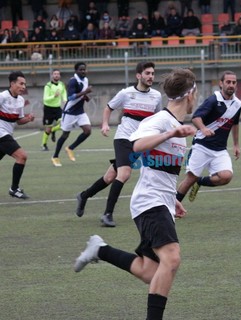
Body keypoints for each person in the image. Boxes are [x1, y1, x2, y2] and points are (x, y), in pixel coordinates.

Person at [73, 68, 198, 320]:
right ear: (190, 94)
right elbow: (136, 146)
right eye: (196, 92)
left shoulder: (175, 125)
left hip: (159, 200)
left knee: (150, 273)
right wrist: (170, 133)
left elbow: (156, 166)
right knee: (171, 259)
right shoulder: (161, 121)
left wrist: (172, 198)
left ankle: (100, 250)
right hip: (149, 202)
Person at [75, 61, 162, 227]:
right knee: (125, 174)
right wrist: (105, 124)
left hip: (140, 142)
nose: (151, 76)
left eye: (152, 73)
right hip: (124, 138)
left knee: (110, 177)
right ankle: (107, 214)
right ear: (139, 76)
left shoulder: (156, 96)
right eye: (147, 73)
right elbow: (108, 108)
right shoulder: (126, 93)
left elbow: (157, 118)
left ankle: (84, 196)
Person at [176, 70, 241, 203]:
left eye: (233, 82)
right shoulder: (213, 100)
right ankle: (171, 208)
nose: (231, 85)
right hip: (202, 146)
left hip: (220, 150)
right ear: (221, 83)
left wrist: (236, 144)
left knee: (226, 177)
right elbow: (196, 117)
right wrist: (203, 128)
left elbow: (235, 123)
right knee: (190, 178)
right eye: (228, 82)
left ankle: (199, 181)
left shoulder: (238, 104)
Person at [0, 71, 35, 199]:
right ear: (12, 83)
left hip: (7, 134)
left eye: (24, 84)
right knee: (22, 156)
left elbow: (19, 121)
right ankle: (14, 189)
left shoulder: (20, 100)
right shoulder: (2, 96)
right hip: (1, 134)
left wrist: (28, 118)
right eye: (21, 84)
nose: (23, 87)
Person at [51, 62, 93, 167]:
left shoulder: (86, 80)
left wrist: (85, 97)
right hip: (69, 112)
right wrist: (85, 93)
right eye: (81, 70)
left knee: (87, 131)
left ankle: (70, 148)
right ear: (76, 71)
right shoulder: (72, 81)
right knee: (65, 135)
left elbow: (81, 94)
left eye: (84, 69)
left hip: (80, 112)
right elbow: (70, 97)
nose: (83, 71)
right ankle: (55, 156)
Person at [41, 69, 67, 151]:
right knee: (47, 129)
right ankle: (44, 144)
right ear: (52, 75)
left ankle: (53, 131)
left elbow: (64, 92)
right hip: (48, 109)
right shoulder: (48, 86)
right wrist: (54, 96)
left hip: (57, 108)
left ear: (60, 76)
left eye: (58, 74)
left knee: (63, 124)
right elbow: (45, 99)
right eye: (55, 74)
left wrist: (65, 99)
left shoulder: (61, 84)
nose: (56, 75)